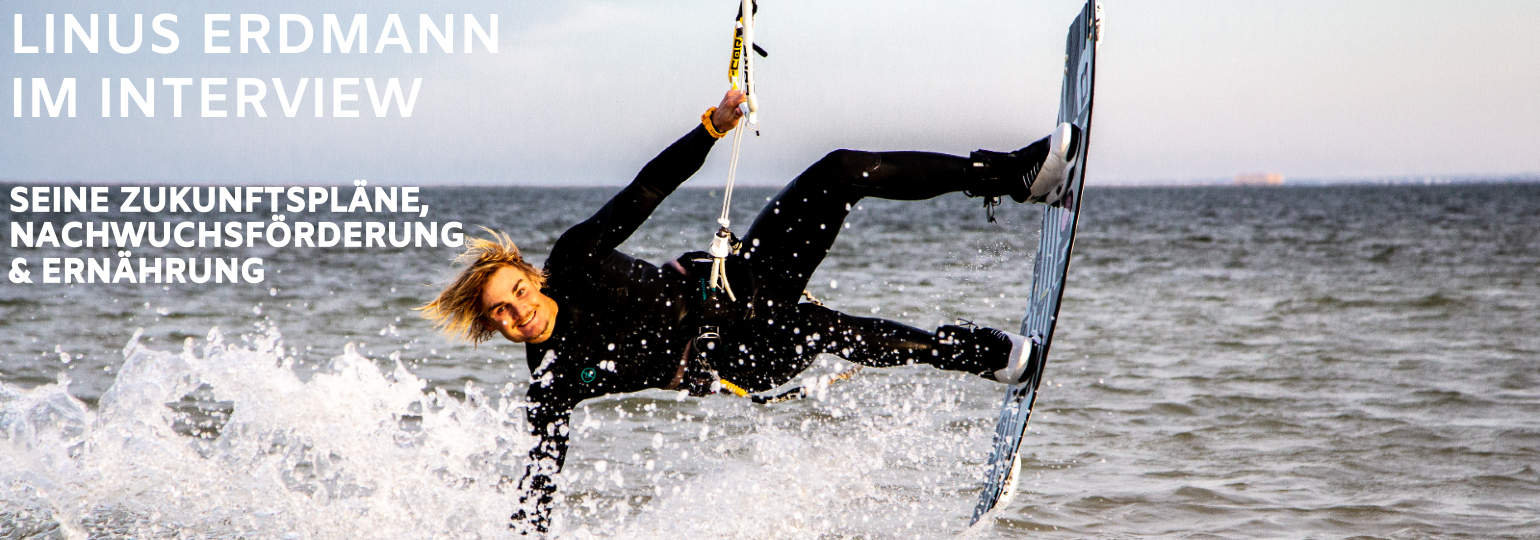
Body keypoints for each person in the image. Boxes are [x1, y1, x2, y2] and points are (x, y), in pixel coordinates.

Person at [420, 89, 1079, 535]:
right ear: (492, 329)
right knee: (817, 327)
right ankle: (977, 355)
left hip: (749, 280)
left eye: (518, 293)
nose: (520, 312)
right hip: (737, 360)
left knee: (841, 170)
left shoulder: (576, 258)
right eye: (502, 315)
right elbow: (537, 488)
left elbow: (646, 190)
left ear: (532, 275)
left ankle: (1015, 178)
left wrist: (711, 128)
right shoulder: (552, 379)